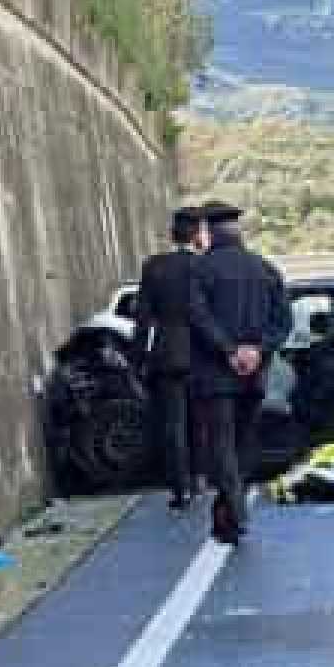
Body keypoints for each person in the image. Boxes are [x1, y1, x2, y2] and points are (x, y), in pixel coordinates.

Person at [190, 200, 292, 544]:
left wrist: (229, 350)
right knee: (244, 443)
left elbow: (198, 318)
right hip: (254, 374)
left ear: (209, 231)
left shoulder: (201, 271)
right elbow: (284, 321)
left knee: (221, 444)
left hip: (216, 374)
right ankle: (230, 516)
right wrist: (258, 350)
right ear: (238, 230)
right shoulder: (265, 268)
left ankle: (235, 510)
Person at [132, 207, 206, 509]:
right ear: (197, 235)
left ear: (173, 234)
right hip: (202, 353)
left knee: (173, 424)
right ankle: (200, 477)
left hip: (167, 353)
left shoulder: (154, 267)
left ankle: (181, 488)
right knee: (201, 420)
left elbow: (143, 319)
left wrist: (138, 359)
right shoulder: (204, 266)